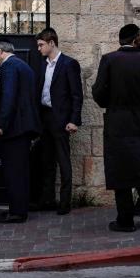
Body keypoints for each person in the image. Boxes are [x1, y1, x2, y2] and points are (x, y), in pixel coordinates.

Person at [91, 24, 140, 232]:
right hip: (139, 123)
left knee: (120, 173)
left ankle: (126, 220)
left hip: (116, 124)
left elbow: (99, 94)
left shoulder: (109, 60)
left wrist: (111, 102)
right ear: (136, 39)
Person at [34, 28, 83, 215]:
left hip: (61, 120)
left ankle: (65, 203)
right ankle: (47, 200)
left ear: (52, 43)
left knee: (63, 161)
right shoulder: (42, 64)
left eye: (41, 45)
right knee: (46, 161)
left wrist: (74, 120)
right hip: (45, 117)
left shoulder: (69, 64)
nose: (39, 48)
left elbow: (77, 95)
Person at [0, 40, 40, 224]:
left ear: (0, 51)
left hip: (15, 128)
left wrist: (0, 124)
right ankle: (20, 208)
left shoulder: (9, 66)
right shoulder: (23, 65)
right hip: (25, 126)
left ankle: (17, 212)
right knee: (21, 170)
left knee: (14, 171)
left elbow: (8, 96)